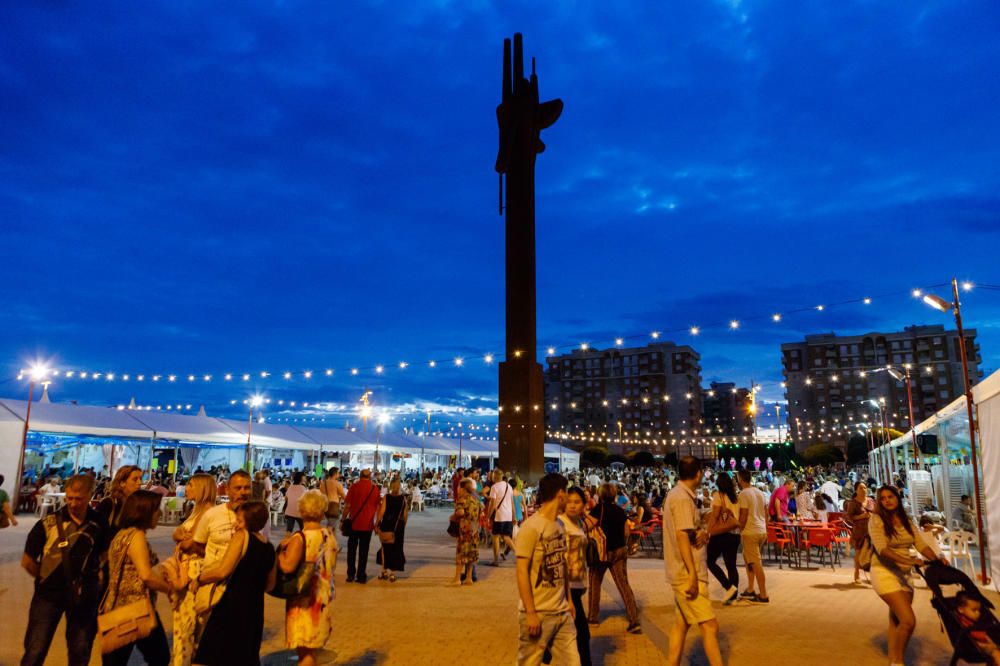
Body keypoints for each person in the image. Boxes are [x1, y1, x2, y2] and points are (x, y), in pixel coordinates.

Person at [21, 475, 106, 666]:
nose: (73, 503)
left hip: (84, 597)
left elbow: (104, 554)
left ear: (90, 496)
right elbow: (27, 561)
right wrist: (47, 577)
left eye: (79, 499)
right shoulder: (48, 523)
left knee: (80, 651)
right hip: (48, 596)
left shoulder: (99, 523)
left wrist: (94, 577)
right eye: (70, 498)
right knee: (35, 650)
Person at [869, 484, 947, 666]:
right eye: (883, 498)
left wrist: (936, 559)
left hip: (904, 574)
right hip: (883, 572)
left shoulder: (906, 520)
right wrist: (910, 561)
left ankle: (895, 660)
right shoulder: (876, 520)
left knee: (896, 620)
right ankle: (897, 661)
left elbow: (920, 544)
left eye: (891, 497)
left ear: (897, 498)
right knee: (908, 620)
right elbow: (882, 549)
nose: (887, 500)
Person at [102, 490, 181, 666]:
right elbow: (146, 575)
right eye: (156, 510)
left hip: (117, 607)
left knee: (115, 661)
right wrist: (170, 590)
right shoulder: (136, 536)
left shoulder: (122, 534)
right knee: (159, 657)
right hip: (135, 609)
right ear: (144, 511)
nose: (159, 514)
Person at [191, 501, 276, 666]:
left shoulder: (241, 536)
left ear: (249, 522)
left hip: (231, 605)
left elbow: (223, 571)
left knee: (208, 655)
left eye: (239, 520)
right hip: (255, 610)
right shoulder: (269, 548)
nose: (236, 524)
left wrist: (200, 579)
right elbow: (270, 585)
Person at [663, 457, 723, 666]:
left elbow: (688, 533)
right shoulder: (680, 498)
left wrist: (703, 532)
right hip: (687, 573)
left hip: (684, 571)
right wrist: (692, 575)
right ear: (698, 474)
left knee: (681, 624)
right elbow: (681, 536)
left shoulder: (681, 496)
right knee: (709, 626)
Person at [515, 473, 579, 666]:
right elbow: (521, 571)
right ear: (560, 494)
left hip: (562, 612)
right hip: (539, 613)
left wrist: (569, 599)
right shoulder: (531, 527)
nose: (568, 498)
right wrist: (531, 612)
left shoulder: (560, 525)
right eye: (567, 493)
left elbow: (562, 563)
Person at [278, 490, 338, 666]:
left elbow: (288, 566)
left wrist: (281, 553)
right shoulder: (329, 535)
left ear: (302, 511)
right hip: (322, 596)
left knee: (305, 652)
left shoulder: (300, 538)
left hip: (304, 600)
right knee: (310, 649)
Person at [168, 473, 216, 666]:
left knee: (189, 625)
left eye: (191, 485)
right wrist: (179, 535)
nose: (186, 489)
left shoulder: (207, 513)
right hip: (185, 569)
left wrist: (181, 537)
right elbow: (180, 535)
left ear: (202, 489)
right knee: (184, 624)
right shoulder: (196, 511)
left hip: (195, 571)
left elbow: (192, 543)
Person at [587, 483, 641, 633]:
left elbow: (587, 526)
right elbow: (626, 532)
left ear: (601, 495)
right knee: (624, 585)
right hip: (619, 551)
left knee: (595, 582)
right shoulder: (620, 511)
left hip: (602, 552)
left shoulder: (599, 509)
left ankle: (593, 618)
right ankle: (634, 620)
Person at [560, 486, 592, 666]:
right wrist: (568, 596)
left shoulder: (579, 523)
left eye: (577, 502)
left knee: (561, 632)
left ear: (583, 505)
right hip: (567, 588)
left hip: (578, 586)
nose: (572, 505)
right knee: (582, 633)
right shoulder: (561, 523)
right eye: (569, 501)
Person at [706, 472, 741, 604]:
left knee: (709, 560)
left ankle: (728, 587)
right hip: (735, 534)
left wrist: (709, 531)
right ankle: (733, 597)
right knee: (731, 565)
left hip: (722, 534)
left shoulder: (718, 495)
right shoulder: (735, 497)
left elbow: (715, 516)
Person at [342, 468, 381, 583]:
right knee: (364, 551)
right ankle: (361, 575)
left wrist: (343, 519)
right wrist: (377, 524)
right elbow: (378, 507)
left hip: (354, 524)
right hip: (367, 525)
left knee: (351, 550)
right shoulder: (375, 489)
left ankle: (350, 574)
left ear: (359, 476)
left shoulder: (354, 487)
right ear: (370, 477)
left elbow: (347, 505)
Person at [736, 470, 769, 603]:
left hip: (751, 532)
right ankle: (750, 589)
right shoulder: (759, 492)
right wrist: (765, 527)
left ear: (740, 479)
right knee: (748, 559)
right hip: (761, 530)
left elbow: (743, 516)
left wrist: (739, 528)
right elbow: (766, 512)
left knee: (756, 563)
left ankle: (763, 594)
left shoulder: (744, 494)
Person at [96, 465, 143, 540]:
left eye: (140, 479)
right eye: (135, 479)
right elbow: (96, 534)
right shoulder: (108, 504)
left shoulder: (136, 506)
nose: (140, 482)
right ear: (122, 483)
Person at [376, 477, 408, 581]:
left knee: (385, 548)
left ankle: (384, 570)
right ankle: (393, 573)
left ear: (391, 485)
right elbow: (405, 515)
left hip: (387, 525)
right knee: (396, 549)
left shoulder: (387, 497)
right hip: (398, 527)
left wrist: (376, 524)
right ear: (399, 486)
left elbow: (381, 512)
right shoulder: (403, 499)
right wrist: (402, 525)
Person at [450, 478, 481, 586]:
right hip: (475, 529)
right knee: (471, 553)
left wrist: (453, 516)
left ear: (462, 488)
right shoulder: (476, 499)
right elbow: (481, 514)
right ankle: (469, 578)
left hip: (465, 529)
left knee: (461, 553)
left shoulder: (462, 499)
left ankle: (457, 579)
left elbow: (460, 512)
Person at [845, 482, 875, 584]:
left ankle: (873, 575)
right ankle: (857, 573)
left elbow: (876, 513)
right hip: (859, 531)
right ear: (856, 490)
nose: (864, 490)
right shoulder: (853, 503)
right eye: (861, 488)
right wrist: (861, 517)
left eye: (865, 488)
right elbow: (849, 517)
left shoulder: (871, 501)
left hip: (872, 531)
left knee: (872, 554)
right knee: (858, 553)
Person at [488, 469, 516, 566]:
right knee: (506, 536)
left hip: (499, 515)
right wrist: (514, 515)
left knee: (495, 536)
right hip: (508, 515)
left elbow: (492, 504)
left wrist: (488, 516)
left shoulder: (494, 487)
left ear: (494, 477)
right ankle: (519, 555)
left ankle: (495, 560)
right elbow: (512, 502)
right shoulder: (509, 486)